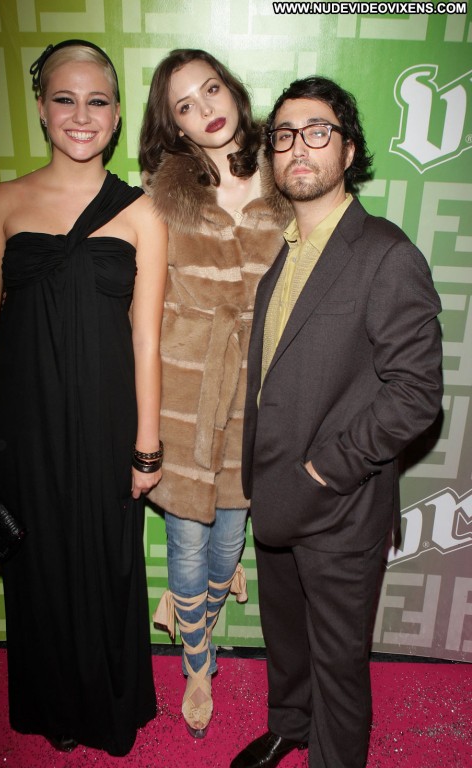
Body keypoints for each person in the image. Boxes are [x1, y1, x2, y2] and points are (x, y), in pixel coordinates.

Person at [0, 40, 167, 756]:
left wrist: (147, 444)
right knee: (39, 565)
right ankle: (53, 708)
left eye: (97, 100)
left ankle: (109, 709)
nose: (82, 115)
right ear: (43, 110)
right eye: (65, 99)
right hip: (23, 420)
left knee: (107, 562)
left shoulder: (141, 213)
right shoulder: (2, 203)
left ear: (117, 115)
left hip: (109, 416)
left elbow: (147, 339)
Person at [231, 77, 443, 768]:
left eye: (318, 131)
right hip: (274, 489)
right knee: (287, 637)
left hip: (339, 502)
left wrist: (326, 469)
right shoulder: (287, 250)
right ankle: (290, 725)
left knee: (338, 664)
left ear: (348, 150)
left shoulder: (386, 253)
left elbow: (417, 394)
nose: (299, 146)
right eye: (284, 134)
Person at [138, 49, 292, 738]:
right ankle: (197, 662)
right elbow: (142, 302)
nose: (206, 109)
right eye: (185, 105)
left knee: (230, 539)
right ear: (173, 126)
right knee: (186, 540)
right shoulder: (161, 197)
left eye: (211, 89)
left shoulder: (287, 177)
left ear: (233, 89)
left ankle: (200, 607)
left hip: (260, 386)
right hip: (185, 388)